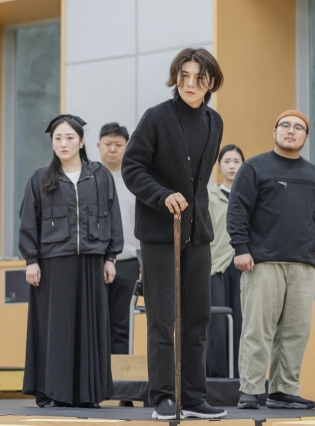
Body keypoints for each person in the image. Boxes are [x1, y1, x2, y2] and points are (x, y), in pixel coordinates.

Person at [122, 47, 226, 420]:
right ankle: (163, 396)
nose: (190, 83)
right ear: (176, 77)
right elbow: (132, 168)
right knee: (163, 319)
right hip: (159, 234)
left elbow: (198, 181)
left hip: (197, 234)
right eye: (184, 75)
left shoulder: (215, 122)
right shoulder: (157, 118)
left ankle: (194, 397)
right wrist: (162, 195)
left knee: (198, 318)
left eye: (199, 77)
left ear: (210, 82)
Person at [227, 110, 315, 410]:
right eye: (285, 125)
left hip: (304, 265)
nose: (291, 130)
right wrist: (241, 248)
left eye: (298, 127)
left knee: (296, 331)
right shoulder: (254, 167)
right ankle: (250, 389)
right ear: (274, 132)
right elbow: (237, 211)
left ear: (306, 138)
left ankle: (283, 390)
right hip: (262, 263)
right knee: (258, 328)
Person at [19, 114, 124, 408]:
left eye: (68, 138)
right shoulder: (40, 179)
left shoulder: (100, 175)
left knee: (91, 329)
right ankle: (56, 392)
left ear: (81, 141)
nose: (63, 143)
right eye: (57, 138)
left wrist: (110, 257)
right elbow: (28, 221)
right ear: (52, 143)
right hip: (53, 264)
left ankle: (88, 394)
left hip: (92, 262)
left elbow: (113, 217)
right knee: (57, 330)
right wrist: (31, 260)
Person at [97, 122, 140, 355]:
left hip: (128, 261)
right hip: (96, 260)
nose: (112, 149)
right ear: (98, 146)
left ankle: (119, 379)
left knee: (122, 323)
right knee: (96, 322)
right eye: (107, 144)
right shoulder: (90, 178)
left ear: (127, 146)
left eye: (118, 144)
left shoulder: (135, 181)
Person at [206, 144, 244, 378]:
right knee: (217, 325)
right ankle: (217, 379)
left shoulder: (249, 195)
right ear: (219, 166)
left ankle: (242, 378)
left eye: (236, 161)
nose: (231, 166)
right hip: (215, 266)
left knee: (242, 323)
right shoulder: (209, 194)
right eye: (227, 161)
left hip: (242, 266)